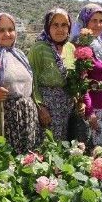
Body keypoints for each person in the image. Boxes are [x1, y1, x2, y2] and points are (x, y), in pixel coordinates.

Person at [0, 13, 40, 154]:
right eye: (1, 30)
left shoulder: (20, 55)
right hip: (6, 116)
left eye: (11, 29)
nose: (7, 34)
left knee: (29, 161)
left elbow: (31, 85)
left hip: (28, 115)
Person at [28, 8, 76, 142]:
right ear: (48, 26)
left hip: (67, 107)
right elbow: (32, 80)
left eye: (64, 25)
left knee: (65, 147)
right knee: (47, 147)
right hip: (47, 108)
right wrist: (40, 107)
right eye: (55, 25)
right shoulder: (39, 48)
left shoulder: (71, 48)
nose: (60, 29)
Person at [74, 4, 102, 147]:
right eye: (94, 20)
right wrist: (89, 111)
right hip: (96, 112)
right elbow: (82, 81)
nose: (98, 25)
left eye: (101, 20)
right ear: (85, 22)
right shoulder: (83, 48)